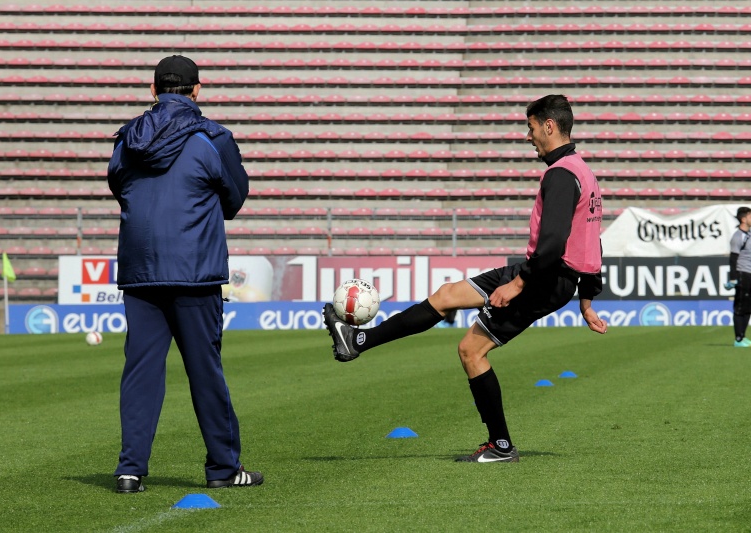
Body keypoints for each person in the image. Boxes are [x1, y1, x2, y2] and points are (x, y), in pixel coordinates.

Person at [323, 94, 608, 463]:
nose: (529, 136)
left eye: (531, 127)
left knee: (471, 351)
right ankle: (358, 340)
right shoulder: (582, 170)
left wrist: (518, 285)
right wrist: (587, 301)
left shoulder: (561, 175)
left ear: (549, 126)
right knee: (446, 295)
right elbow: (590, 239)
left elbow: (553, 245)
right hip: (543, 274)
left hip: (543, 278)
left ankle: (500, 445)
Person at [108, 55, 262, 493]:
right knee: (205, 371)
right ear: (198, 90)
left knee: (140, 371)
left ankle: (129, 470)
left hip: (140, 269)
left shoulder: (127, 139)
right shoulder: (213, 138)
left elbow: (119, 187)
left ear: (152, 90)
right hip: (194, 271)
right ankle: (223, 468)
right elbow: (235, 198)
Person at [725, 207, 751, 348]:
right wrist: (734, 278)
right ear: (743, 219)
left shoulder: (748, 234)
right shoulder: (737, 236)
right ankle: (738, 339)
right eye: (750, 216)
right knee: (740, 307)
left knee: (749, 306)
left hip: (748, 274)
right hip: (741, 274)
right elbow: (733, 259)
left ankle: (743, 336)